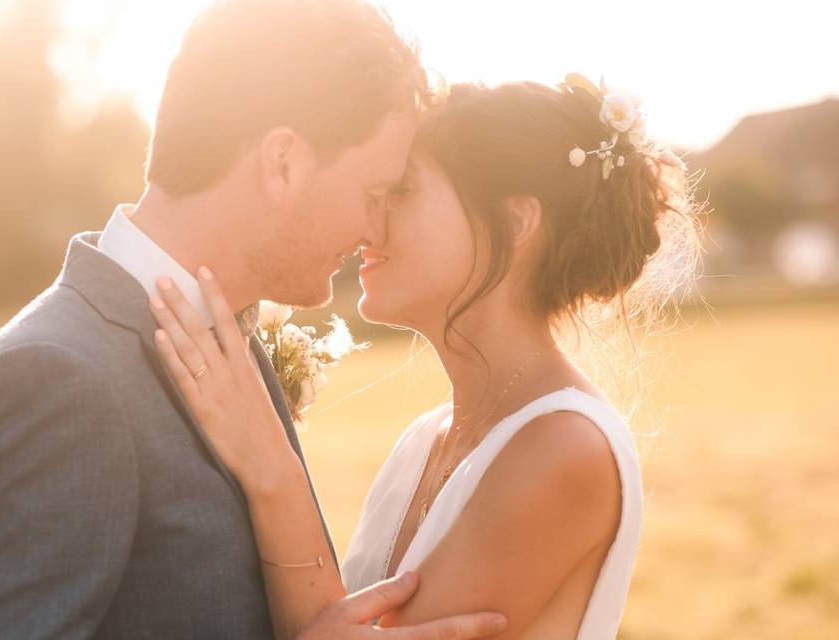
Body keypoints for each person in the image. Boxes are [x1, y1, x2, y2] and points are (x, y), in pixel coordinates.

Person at [0, 1, 506, 638]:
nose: (374, 229)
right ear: (282, 163)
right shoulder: (55, 377)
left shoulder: (231, 337)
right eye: (373, 194)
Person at [148, 78, 701, 639]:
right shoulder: (425, 439)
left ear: (515, 224)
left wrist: (272, 469)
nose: (368, 226)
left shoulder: (565, 449)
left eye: (401, 191)